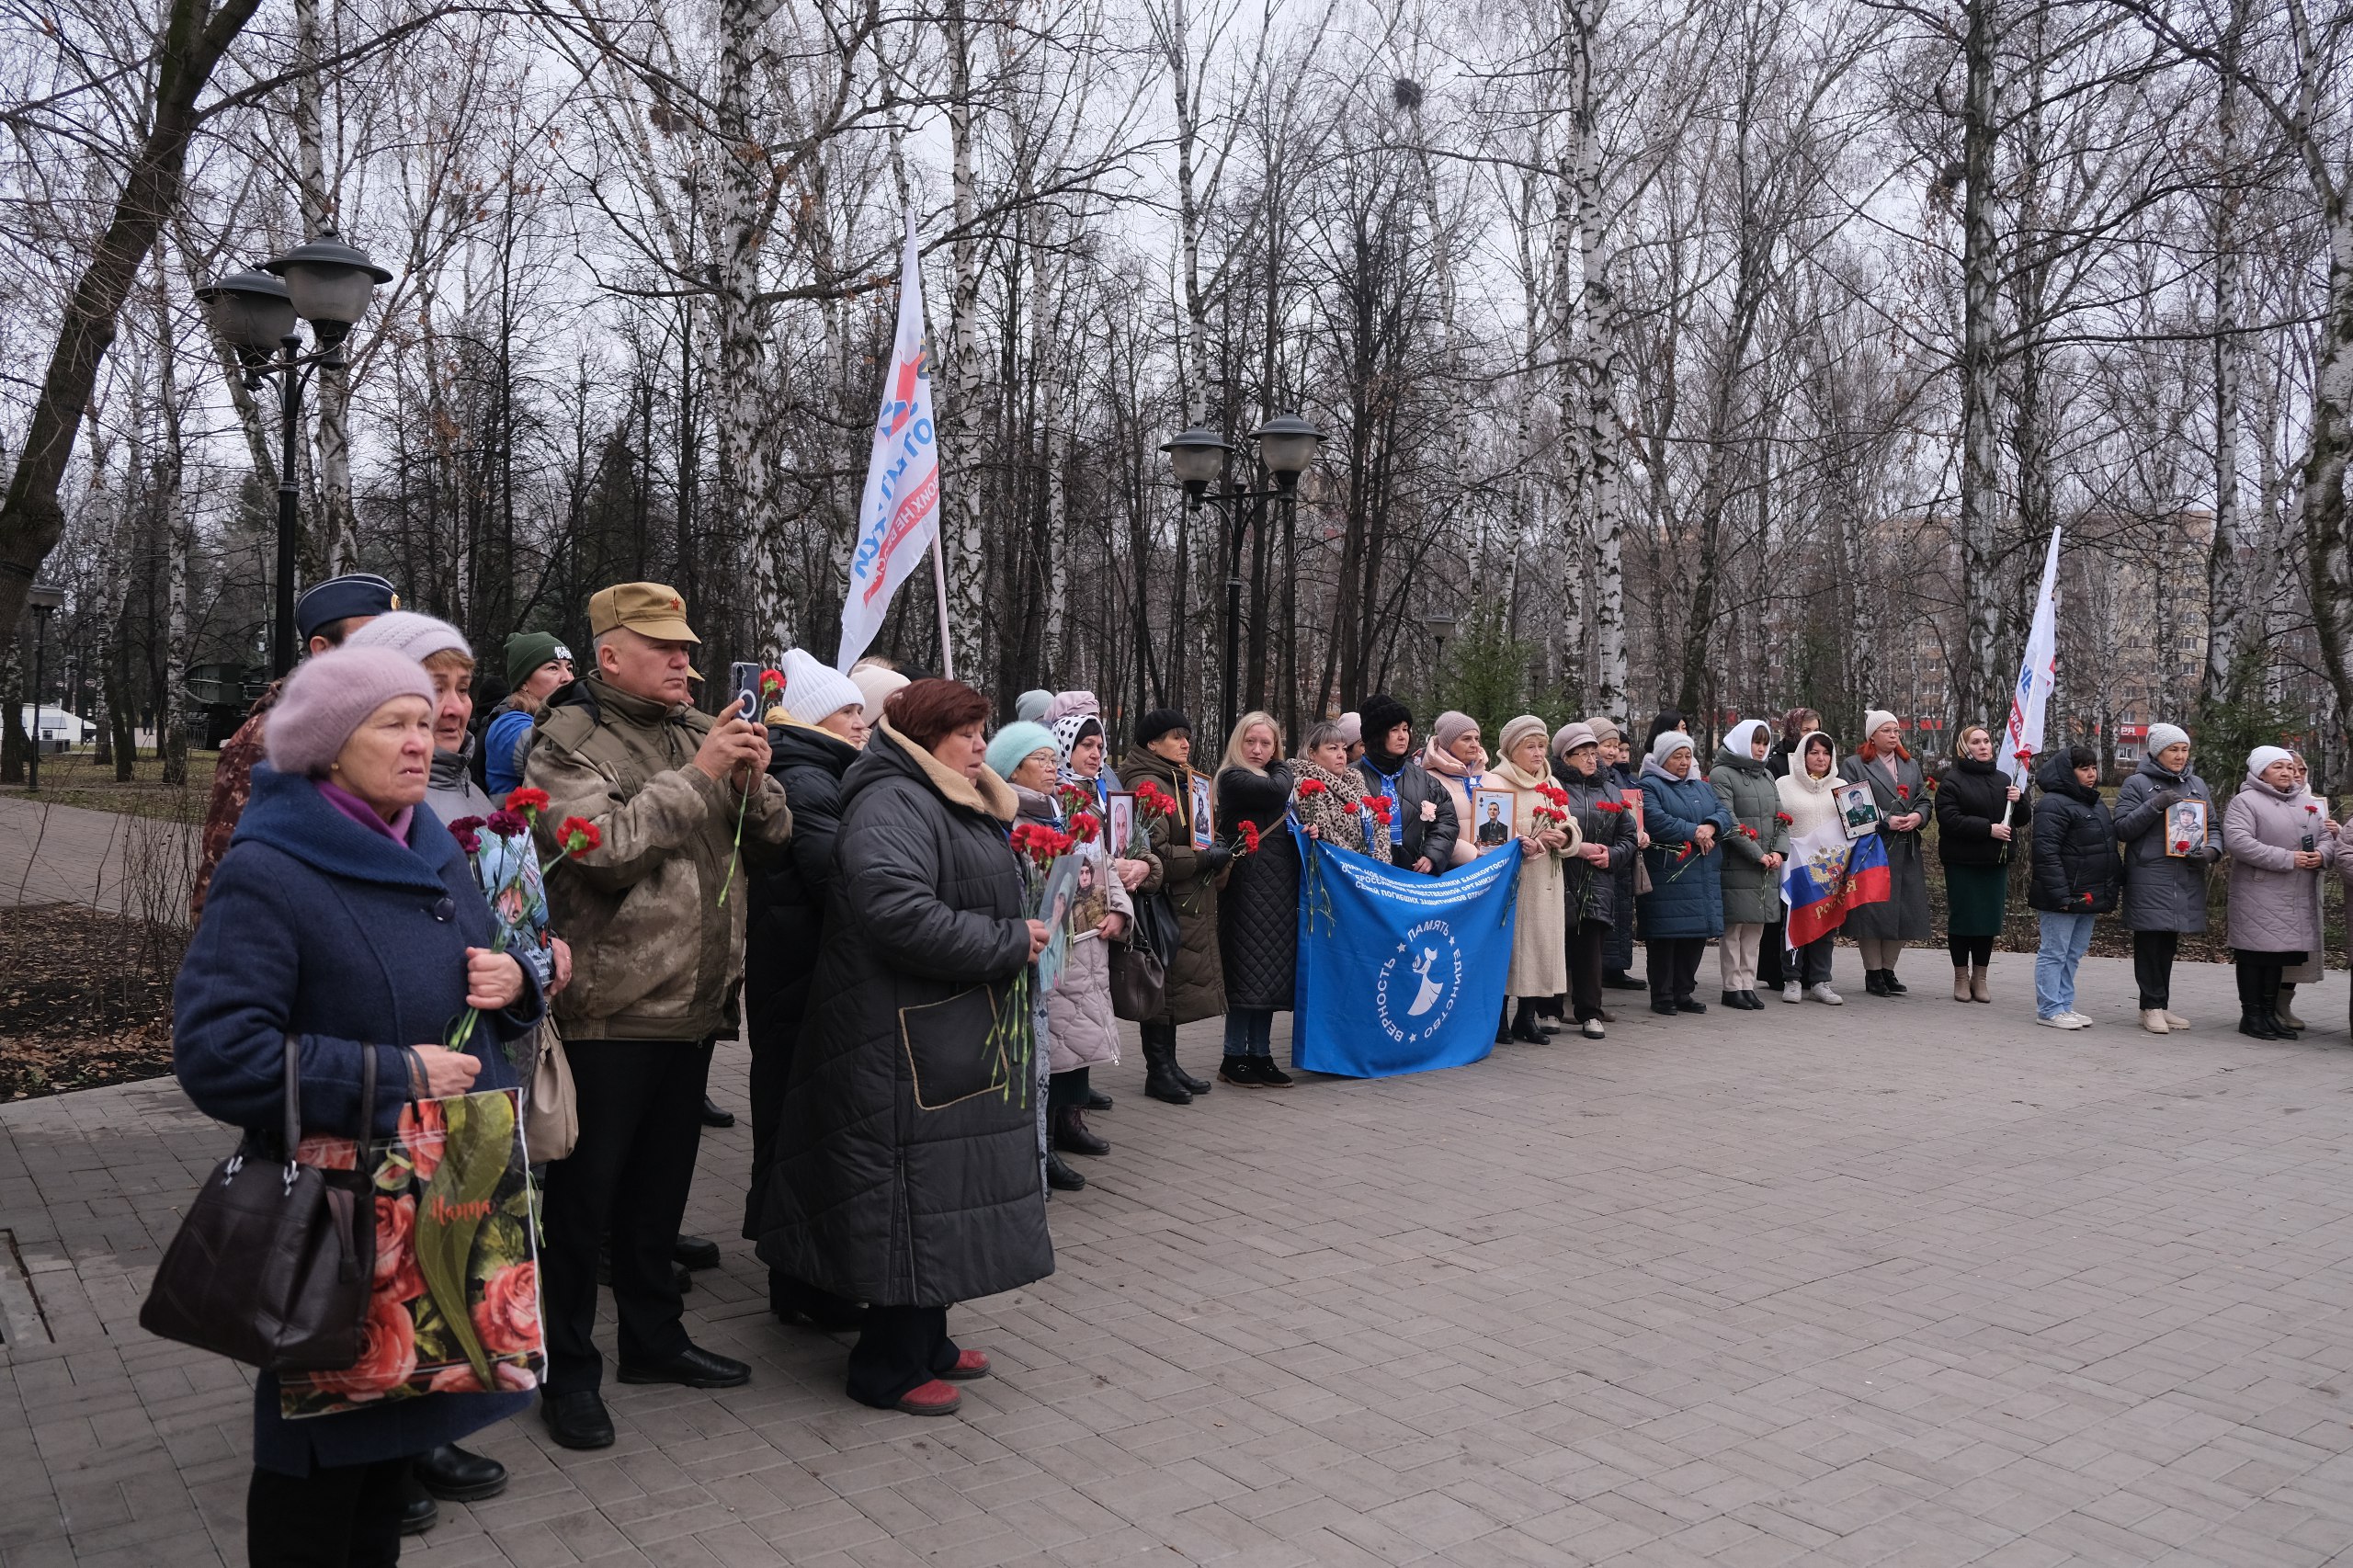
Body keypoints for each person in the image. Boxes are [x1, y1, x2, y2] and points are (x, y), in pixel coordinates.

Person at [171, 646, 540, 1564]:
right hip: (339, 1216)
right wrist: (390, 1074)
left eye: (427, 718)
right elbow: (218, 1055)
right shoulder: (273, 868)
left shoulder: (420, 840)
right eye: (395, 722)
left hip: (445, 1195)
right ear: (331, 746)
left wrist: (518, 978)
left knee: (392, 1462)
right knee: (319, 1461)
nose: (425, 738)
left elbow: (487, 963)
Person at [525, 583, 791, 1450]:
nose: (685, 660)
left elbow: (770, 843)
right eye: (662, 647)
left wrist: (755, 778)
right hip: (611, 1008)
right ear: (609, 654)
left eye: (687, 646)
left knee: (656, 1199)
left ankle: (653, 1339)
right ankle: (567, 1372)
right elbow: (600, 852)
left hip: (693, 1003)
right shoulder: (566, 742)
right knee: (581, 1208)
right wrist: (706, 772)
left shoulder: (696, 729)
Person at [757, 679, 1053, 1415]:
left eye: (983, 728)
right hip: (897, 1035)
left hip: (942, 1026)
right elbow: (895, 912)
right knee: (909, 1195)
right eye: (965, 731)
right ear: (924, 736)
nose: (981, 743)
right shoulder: (894, 800)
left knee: (944, 1189)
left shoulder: (951, 792)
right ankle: (884, 1364)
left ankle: (928, 1339)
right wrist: (1006, 941)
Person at [744, 647, 870, 1324]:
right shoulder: (811, 778)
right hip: (799, 977)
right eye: (850, 710)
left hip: (795, 973)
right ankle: (799, 1288)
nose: (860, 721)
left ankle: (804, 1283)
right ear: (820, 714)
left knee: (796, 1129)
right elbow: (836, 877)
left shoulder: (819, 771)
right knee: (796, 1133)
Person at [192, 572, 400, 920]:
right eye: (371, 638)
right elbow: (223, 872)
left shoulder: (385, 726)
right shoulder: (272, 737)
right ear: (322, 649)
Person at [1122, 709, 1229, 1104]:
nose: (1185, 743)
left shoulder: (1179, 778)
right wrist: (1205, 859)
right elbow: (1157, 854)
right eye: (1174, 737)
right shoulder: (1148, 783)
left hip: (1184, 899)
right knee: (1160, 985)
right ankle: (1158, 1071)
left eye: (1187, 736)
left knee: (1175, 985)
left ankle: (1170, 1063)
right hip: (1160, 899)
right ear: (1152, 744)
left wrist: (1217, 850)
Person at [1051, 694, 1146, 1122]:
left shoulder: (1094, 795)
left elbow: (1104, 861)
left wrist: (1120, 910)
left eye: (1099, 746)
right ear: (1063, 748)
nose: (1095, 754)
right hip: (1064, 929)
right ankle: (1060, 1121)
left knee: (1085, 1018)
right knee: (1066, 1022)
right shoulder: (1056, 800)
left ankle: (1074, 1109)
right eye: (1085, 745)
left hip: (1095, 927)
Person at [2109, 722, 2220, 1033]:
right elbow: (2123, 829)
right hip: (2149, 875)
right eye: (2174, 749)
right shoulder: (2137, 783)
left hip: (2184, 876)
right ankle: (2150, 1006)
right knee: (2149, 942)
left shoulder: (2196, 784)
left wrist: (2211, 852)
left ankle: (2161, 1004)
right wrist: (2155, 804)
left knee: (2168, 944)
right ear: (2158, 752)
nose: (2180, 755)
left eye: (2184, 749)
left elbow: (2215, 827)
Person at [2227, 745, 2334, 1039]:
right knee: (2254, 955)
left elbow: (2324, 835)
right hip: (2258, 891)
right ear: (2261, 772)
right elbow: (2239, 841)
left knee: (2276, 956)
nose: (2288, 773)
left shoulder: (2304, 801)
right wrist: (2288, 858)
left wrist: (2322, 855)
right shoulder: (2246, 801)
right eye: (2278, 767)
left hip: (2294, 895)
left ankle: (2268, 1013)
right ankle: (2251, 1016)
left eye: (2290, 767)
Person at [1215, 711, 1299, 1086]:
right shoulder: (1232, 778)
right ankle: (1234, 1055)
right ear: (1238, 743)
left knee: (1270, 974)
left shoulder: (1277, 776)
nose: (1258, 749)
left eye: (1267, 743)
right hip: (1247, 886)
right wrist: (1284, 766)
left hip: (1279, 885)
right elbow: (1276, 791)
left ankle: (1260, 1054)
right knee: (1246, 972)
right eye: (1251, 741)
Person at [1635, 731, 1732, 1016]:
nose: (1683, 762)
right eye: (1677, 757)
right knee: (1666, 937)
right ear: (1663, 759)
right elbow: (1655, 819)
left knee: (1695, 934)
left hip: (1701, 872)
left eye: (1687, 756)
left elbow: (1724, 812)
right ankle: (1663, 995)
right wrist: (1694, 832)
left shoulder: (1701, 786)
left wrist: (1711, 826)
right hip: (1668, 872)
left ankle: (1684, 992)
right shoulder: (1650, 785)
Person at [1492, 714, 1575, 1042]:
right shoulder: (1496, 781)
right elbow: (1490, 831)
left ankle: (1526, 1018)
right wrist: (1526, 838)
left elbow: (1570, 822)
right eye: (1530, 746)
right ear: (1512, 751)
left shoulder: (1552, 784)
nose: (1539, 753)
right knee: (1510, 950)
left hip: (1548, 881)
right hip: (1515, 882)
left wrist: (1565, 836)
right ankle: (1498, 1020)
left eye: (1542, 745)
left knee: (1541, 949)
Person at [1935, 723, 2029, 1005]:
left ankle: (1981, 977)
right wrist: (1988, 829)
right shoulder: (1952, 781)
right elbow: (1949, 819)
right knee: (1964, 920)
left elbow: (2021, 818)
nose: (1984, 746)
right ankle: (1961, 978)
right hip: (1963, 862)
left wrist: (2020, 800)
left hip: (1994, 862)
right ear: (1965, 748)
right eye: (1976, 742)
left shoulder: (2003, 780)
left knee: (1987, 922)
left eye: (1987, 741)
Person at [1839, 710, 1932, 996]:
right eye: (1887, 731)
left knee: (1904, 909)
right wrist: (1884, 820)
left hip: (1905, 848)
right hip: (1873, 848)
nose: (1894, 736)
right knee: (1873, 910)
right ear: (1872, 736)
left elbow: (1925, 801)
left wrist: (1918, 817)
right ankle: (1873, 972)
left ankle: (1889, 969)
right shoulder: (1855, 765)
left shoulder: (1910, 764)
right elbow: (1848, 803)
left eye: (1896, 731)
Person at [2029, 744, 2119, 1028]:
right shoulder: (2053, 804)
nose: (2092, 774)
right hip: (2064, 894)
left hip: (2088, 893)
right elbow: (2046, 852)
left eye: (2093, 768)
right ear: (2069, 772)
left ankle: (2065, 1004)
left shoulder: (2093, 802)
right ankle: (2049, 1009)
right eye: (2084, 769)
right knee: (2055, 951)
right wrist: (2061, 896)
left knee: (2073, 953)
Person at [1552, 722, 1631, 1038]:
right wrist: (1577, 849)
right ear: (1565, 757)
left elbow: (1627, 834)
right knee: (1556, 946)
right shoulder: (1553, 787)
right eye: (1581, 754)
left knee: (1590, 950)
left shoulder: (1610, 789)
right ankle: (1550, 1010)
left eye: (1592, 753)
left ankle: (1590, 1013)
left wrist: (1612, 855)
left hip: (1598, 880)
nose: (1590, 759)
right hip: (1561, 877)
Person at [1709, 719, 1790, 1010]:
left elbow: (1782, 818)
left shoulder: (1767, 776)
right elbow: (1728, 820)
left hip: (1766, 865)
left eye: (1765, 743)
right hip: (1738, 863)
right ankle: (1731, 987)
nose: (1761, 748)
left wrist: (1780, 851)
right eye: (1756, 742)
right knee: (1734, 930)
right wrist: (1757, 853)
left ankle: (1747, 984)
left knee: (1755, 929)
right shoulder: (1721, 775)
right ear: (1743, 741)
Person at [1774, 731, 1846, 1003]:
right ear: (1803, 755)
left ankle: (1821, 981)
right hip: (1795, 867)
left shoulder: (1843, 785)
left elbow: (1856, 824)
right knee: (1793, 922)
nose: (1821, 758)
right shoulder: (1784, 785)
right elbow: (1776, 821)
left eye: (1826, 753)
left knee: (1826, 924)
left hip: (1830, 868)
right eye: (1814, 752)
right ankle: (1792, 979)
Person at [1354, 694, 1459, 876]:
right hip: (1364, 879)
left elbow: (1446, 819)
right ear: (1376, 735)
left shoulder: (1423, 779)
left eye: (1405, 729)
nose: (1403, 736)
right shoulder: (1350, 777)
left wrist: (1432, 854)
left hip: (1413, 880)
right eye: (1394, 730)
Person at [2276, 755, 2336, 1028]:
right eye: (2289, 768)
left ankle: (2284, 1004)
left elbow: (2331, 848)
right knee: (2275, 949)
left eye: (2301, 769)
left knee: (2301, 953)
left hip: (2308, 885)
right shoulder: (2266, 799)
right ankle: (2267, 1004)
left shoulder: (2313, 802)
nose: (2296, 774)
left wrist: (2333, 837)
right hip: (2276, 885)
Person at [1587, 717, 1647, 991]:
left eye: (1615, 746)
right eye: (1605, 745)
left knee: (1620, 914)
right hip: (1596, 858)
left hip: (1620, 856)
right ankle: (1595, 980)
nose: (1612, 752)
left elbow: (1629, 819)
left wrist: (1639, 833)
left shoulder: (1618, 778)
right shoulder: (1590, 780)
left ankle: (1614, 968)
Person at [483, 631, 574, 798]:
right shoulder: (507, 724)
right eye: (553, 668)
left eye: (569, 668)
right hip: (515, 823)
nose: (568, 677)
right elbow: (554, 754)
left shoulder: (558, 719)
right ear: (524, 682)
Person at [1292, 722, 1380, 855]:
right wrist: (1362, 865)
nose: (1341, 755)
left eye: (1344, 749)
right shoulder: (1307, 786)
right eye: (1333, 748)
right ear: (1312, 753)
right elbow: (1326, 836)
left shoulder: (1355, 781)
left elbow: (1378, 824)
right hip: (1338, 869)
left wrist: (1379, 863)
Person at [1420, 710, 1489, 867]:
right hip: (1452, 874)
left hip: (1494, 868)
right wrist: (1471, 854)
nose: (1475, 745)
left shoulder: (1491, 778)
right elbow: (1426, 831)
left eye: (1477, 738)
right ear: (1447, 744)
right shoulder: (1427, 780)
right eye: (1466, 739)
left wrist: (1520, 842)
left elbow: (1506, 824)